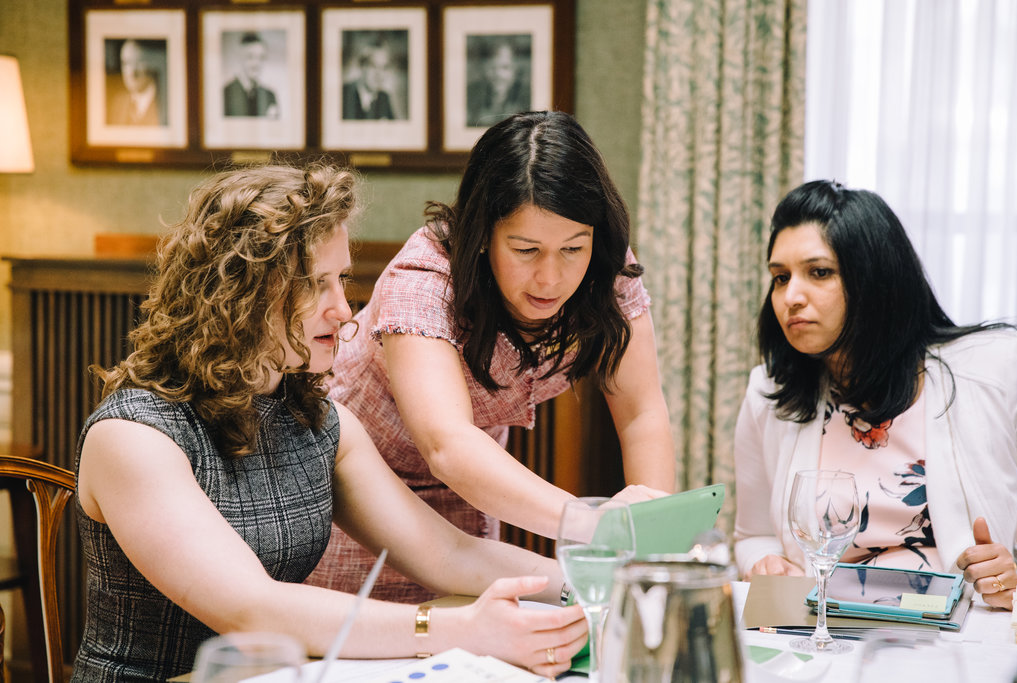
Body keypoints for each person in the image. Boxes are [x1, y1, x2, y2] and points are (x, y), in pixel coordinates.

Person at [72, 162, 587, 681]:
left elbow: (448, 553)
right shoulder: (133, 436)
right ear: (239, 293)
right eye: (316, 284)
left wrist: (588, 583)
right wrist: (461, 629)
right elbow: (252, 609)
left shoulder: (319, 423)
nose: (345, 310)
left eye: (340, 279)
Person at [305, 110, 676, 603]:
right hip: (356, 487)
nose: (550, 277)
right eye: (526, 250)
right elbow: (449, 445)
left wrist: (655, 548)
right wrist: (590, 523)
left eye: (572, 248)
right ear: (482, 236)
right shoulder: (424, 277)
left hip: (475, 490)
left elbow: (641, 414)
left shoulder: (608, 268)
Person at [732, 179, 1017, 610]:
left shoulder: (993, 367)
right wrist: (764, 564)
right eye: (780, 277)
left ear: (874, 278)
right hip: (825, 634)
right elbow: (752, 536)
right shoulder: (769, 393)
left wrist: (1009, 571)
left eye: (819, 272)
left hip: (958, 638)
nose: (790, 296)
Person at [466, 39, 531, 127]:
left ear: (516, 70)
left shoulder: (528, 96)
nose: (498, 74)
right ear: (483, 69)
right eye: (491, 67)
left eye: (505, 67)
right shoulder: (470, 95)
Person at [106, 38, 165, 126]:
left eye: (139, 62)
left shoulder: (165, 104)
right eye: (126, 63)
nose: (131, 72)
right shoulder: (117, 104)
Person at [223, 31, 279, 118]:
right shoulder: (225, 93)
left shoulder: (270, 96)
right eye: (250, 56)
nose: (256, 63)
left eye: (261, 58)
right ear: (240, 58)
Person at [342, 42, 395, 120]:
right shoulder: (344, 94)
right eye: (373, 66)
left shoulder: (383, 97)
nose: (379, 74)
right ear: (361, 67)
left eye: (384, 68)